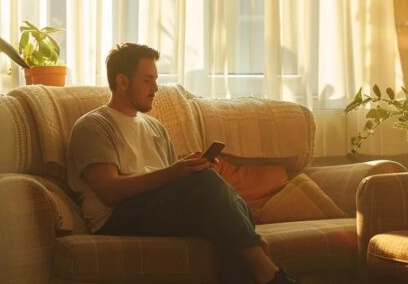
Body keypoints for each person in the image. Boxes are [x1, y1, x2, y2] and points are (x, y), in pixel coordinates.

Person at [66, 43, 299, 284]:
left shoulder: (154, 127)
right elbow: (109, 192)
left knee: (237, 211)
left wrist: (185, 170)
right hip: (116, 217)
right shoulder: (94, 126)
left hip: (155, 208)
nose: (155, 88)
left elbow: (171, 187)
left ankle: (262, 271)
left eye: (156, 79)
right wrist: (174, 173)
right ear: (122, 81)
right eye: (147, 80)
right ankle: (269, 274)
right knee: (209, 189)